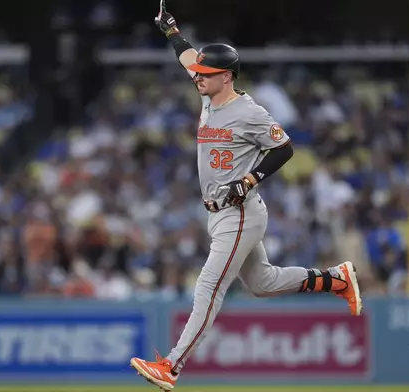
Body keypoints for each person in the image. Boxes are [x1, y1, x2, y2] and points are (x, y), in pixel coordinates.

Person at [129, 9, 363, 391]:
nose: (198, 77)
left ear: (227, 76)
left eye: (207, 73)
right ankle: (336, 280)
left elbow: (284, 148)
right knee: (263, 283)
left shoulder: (249, 111)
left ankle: (171, 365)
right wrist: (171, 30)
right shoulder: (209, 95)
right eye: (200, 73)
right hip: (218, 213)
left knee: (208, 286)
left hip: (238, 212)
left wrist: (252, 177)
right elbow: (188, 57)